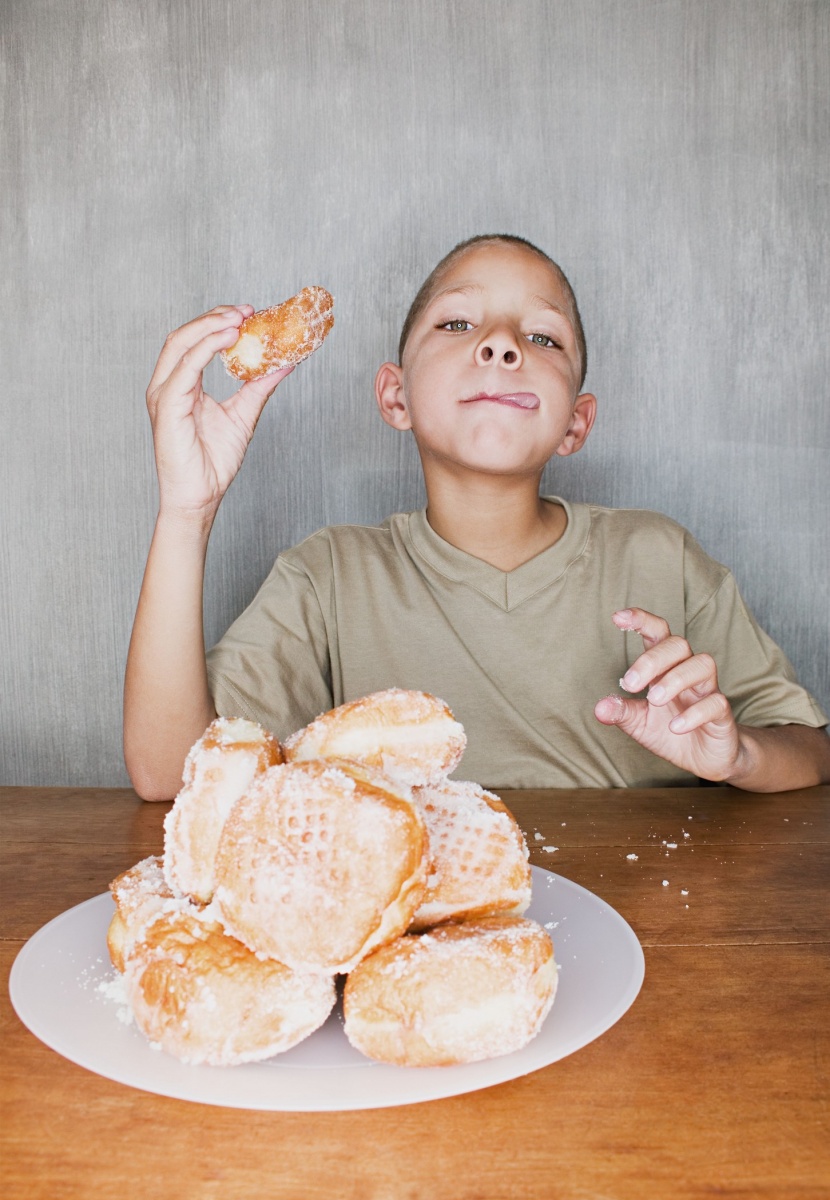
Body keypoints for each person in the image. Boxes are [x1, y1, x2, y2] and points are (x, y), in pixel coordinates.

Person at [123, 234, 830, 800]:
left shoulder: (659, 557)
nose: (501, 345)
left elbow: (809, 746)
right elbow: (169, 775)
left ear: (576, 424)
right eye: (458, 323)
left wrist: (737, 755)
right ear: (394, 397)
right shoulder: (329, 577)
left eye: (544, 338)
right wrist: (189, 508)